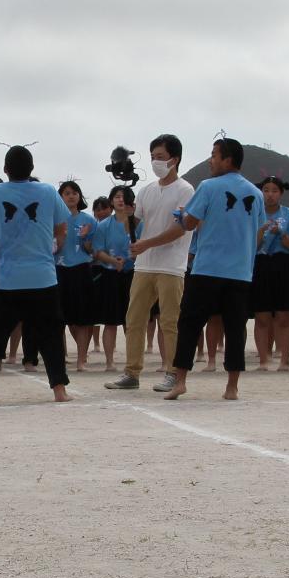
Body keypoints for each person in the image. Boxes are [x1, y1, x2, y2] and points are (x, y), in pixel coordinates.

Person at [158, 137, 266, 401]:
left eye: (214, 155)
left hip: (208, 268)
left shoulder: (208, 186)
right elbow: (259, 229)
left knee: (190, 323)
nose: (210, 160)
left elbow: (190, 223)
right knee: (235, 328)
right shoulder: (256, 192)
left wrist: (182, 215)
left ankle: (180, 381)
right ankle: (232, 387)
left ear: (227, 159)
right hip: (240, 271)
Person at [0, 145, 72, 403]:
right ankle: (60, 389)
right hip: (42, 277)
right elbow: (62, 228)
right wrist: (54, 249)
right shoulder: (48, 191)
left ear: (5, 170)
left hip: (4, 278)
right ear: (32, 169)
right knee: (50, 335)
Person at [109, 135, 194, 392]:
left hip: (171, 266)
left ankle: (171, 372)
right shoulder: (146, 190)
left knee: (170, 321)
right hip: (144, 266)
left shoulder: (186, 190)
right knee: (134, 319)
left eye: (160, 156)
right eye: (153, 157)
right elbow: (133, 224)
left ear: (174, 159)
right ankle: (131, 373)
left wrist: (147, 243)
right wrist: (127, 213)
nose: (156, 161)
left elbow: (180, 229)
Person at [250, 175, 289, 372]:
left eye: (274, 191)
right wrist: (261, 233)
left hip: (284, 264)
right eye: (266, 190)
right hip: (260, 263)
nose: (270, 195)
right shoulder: (254, 214)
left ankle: (284, 361)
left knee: (284, 316)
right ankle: (263, 360)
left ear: (281, 193)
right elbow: (252, 246)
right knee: (261, 316)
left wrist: (281, 232)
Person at [89, 184, 139, 373]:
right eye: (117, 196)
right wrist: (113, 261)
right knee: (110, 322)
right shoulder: (104, 225)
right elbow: (97, 251)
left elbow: (143, 246)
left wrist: (129, 258)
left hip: (132, 274)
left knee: (132, 321)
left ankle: (132, 361)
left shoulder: (138, 223)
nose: (120, 200)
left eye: (124, 197)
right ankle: (109, 361)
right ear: (111, 200)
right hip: (110, 275)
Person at [55, 180, 99, 371]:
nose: (71, 196)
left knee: (82, 319)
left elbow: (93, 251)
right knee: (65, 319)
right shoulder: (55, 220)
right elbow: (52, 248)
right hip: (59, 270)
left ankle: (81, 359)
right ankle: (64, 357)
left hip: (81, 269)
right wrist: (61, 236)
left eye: (74, 192)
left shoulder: (89, 220)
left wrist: (85, 239)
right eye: (66, 193)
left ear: (79, 196)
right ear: (60, 197)